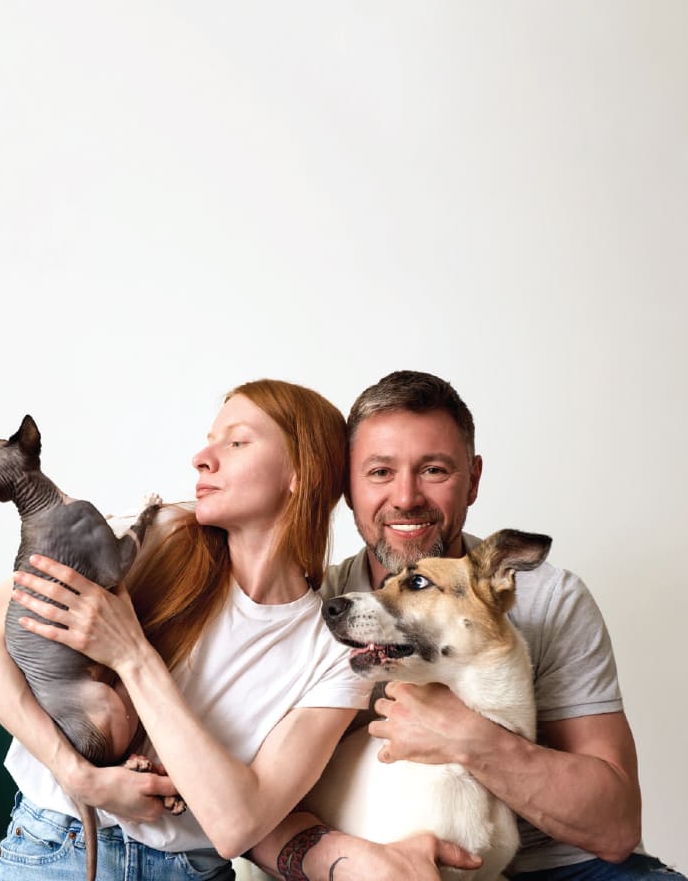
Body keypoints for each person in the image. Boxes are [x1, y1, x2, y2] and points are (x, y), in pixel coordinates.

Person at [247, 371, 685, 881]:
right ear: (347, 486)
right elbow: (245, 806)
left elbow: (615, 828)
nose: (406, 497)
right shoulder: (313, 604)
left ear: (473, 480)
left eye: (433, 470)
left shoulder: (551, 598)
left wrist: (469, 737)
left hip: (561, 863)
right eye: (380, 472)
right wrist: (349, 861)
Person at [0, 379, 380, 880]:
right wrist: (77, 774)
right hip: (56, 851)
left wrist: (132, 654)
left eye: (236, 442)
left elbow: (235, 825)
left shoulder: (334, 655)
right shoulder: (149, 534)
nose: (201, 458)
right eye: (209, 440)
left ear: (301, 473)